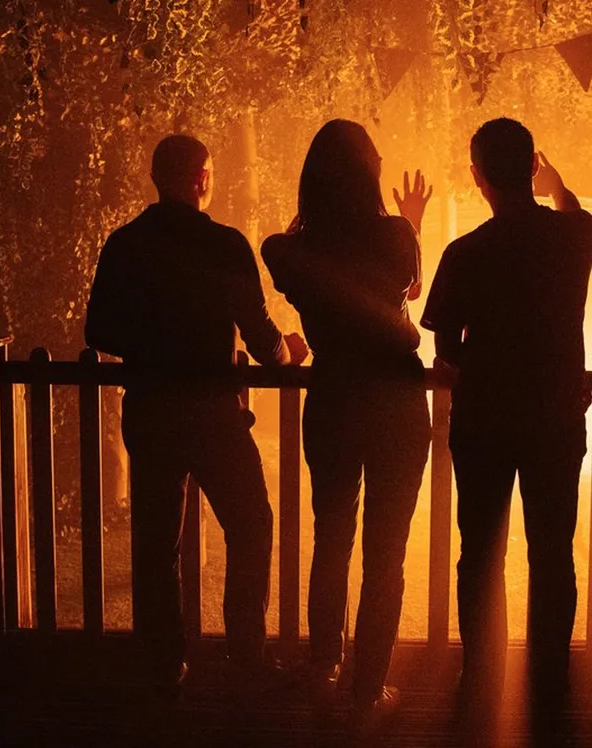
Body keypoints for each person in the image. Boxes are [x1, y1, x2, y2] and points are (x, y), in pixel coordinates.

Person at [84, 134, 307, 694]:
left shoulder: (125, 245)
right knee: (251, 524)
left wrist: (153, 343)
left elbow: (98, 330)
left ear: (158, 178)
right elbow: (260, 337)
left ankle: (164, 661)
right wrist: (290, 353)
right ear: (201, 178)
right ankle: (246, 654)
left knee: (157, 540)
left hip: (152, 410)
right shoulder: (224, 246)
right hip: (212, 412)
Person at [421, 119, 592, 744]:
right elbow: (576, 214)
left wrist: (469, 362)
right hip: (553, 417)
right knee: (552, 550)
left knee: (481, 551)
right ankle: (551, 679)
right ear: (531, 169)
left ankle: (482, 675)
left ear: (479, 178)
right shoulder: (575, 235)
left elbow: (444, 341)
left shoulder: (466, 253)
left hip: (486, 420)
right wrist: (559, 187)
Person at [261, 120, 432, 731]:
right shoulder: (394, 235)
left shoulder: (293, 250)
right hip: (396, 398)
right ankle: (369, 689)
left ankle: (324, 665)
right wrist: (410, 223)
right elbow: (407, 289)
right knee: (388, 550)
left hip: (334, 395)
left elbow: (281, 255)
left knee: (332, 534)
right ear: (369, 174)